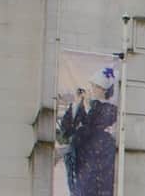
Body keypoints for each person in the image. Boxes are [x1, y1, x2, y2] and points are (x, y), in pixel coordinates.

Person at [58, 67, 119, 196]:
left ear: (104, 90)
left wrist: (86, 106)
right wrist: (76, 104)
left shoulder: (110, 109)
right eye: (93, 85)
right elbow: (65, 130)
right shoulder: (84, 105)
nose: (92, 89)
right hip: (78, 166)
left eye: (96, 86)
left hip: (97, 169)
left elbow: (93, 125)